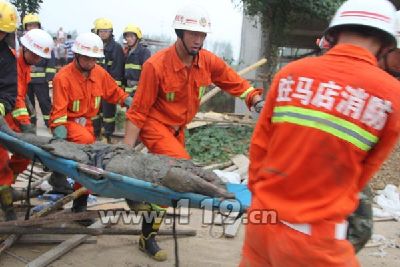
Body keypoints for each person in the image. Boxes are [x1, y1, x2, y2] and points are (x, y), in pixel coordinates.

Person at [240, 0, 400, 266]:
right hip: (314, 242)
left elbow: (259, 149)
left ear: (334, 33)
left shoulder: (290, 74)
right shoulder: (390, 96)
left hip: (260, 225)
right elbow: (362, 176)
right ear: (386, 43)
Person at [123, 4, 263, 261]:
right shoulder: (156, 66)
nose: (198, 40)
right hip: (156, 126)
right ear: (180, 32)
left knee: (165, 186)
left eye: (202, 35)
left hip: (178, 129)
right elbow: (138, 112)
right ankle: (136, 197)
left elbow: (234, 82)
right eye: (193, 34)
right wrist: (124, 154)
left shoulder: (207, 61)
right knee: (181, 170)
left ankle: (146, 234)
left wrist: (254, 98)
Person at [49, 32, 131, 225]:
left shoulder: (99, 73)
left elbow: (114, 92)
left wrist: (129, 101)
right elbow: (59, 113)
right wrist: (59, 138)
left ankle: (79, 201)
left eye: (94, 59)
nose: (90, 62)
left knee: (90, 160)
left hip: (86, 124)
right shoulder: (63, 77)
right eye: (86, 58)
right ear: (76, 55)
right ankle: (75, 196)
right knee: (87, 152)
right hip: (67, 123)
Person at [92, 18, 125, 143]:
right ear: (97, 32)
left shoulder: (116, 48)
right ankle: (96, 133)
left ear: (111, 32)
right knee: (95, 112)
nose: (104, 33)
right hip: (95, 87)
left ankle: (107, 136)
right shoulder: (95, 47)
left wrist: (112, 90)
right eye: (101, 31)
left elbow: (117, 71)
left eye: (106, 31)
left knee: (108, 115)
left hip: (108, 88)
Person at [0, 0, 18, 221]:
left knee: (1, 161)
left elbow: (8, 94)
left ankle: (7, 206)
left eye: (3, 33)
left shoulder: (6, 57)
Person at [22, 13, 56, 127]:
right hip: (26, 80)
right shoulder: (23, 41)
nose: (32, 27)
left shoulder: (45, 39)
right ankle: (31, 125)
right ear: (25, 27)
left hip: (41, 80)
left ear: (39, 26)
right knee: (28, 103)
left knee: (44, 102)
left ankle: (49, 124)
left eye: (34, 25)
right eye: (29, 25)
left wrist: (49, 76)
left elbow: (51, 58)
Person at [122, 24, 151, 96]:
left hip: (139, 92)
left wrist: (139, 87)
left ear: (137, 38)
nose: (129, 39)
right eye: (127, 36)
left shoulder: (144, 52)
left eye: (132, 36)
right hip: (128, 91)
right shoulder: (126, 52)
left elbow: (146, 73)